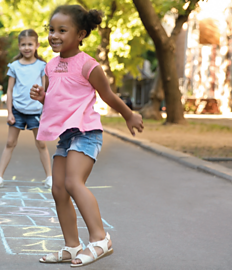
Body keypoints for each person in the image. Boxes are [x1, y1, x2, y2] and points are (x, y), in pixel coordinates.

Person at [30, 5, 144, 267]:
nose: (54, 35)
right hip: (66, 136)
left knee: (73, 182)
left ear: (80, 34)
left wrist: (129, 115)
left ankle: (101, 239)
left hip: (86, 132)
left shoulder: (88, 65)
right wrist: (41, 97)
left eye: (62, 30)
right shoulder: (49, 66)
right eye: (51, 30)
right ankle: (72, 246)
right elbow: (56, 101)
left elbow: (108, 95)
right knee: (58, 189)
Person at [0, 29, 52, 190]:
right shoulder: (14, 66)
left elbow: (46, 91)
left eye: (30, 44)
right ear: (19, 46)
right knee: (10, 143)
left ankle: (49, 177)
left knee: (41, 144)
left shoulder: (42, 66)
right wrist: (9, 112)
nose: (27, 48)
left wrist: (46, 112)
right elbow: (9, 90)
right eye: (23, 45)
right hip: (18, 111)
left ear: (36, 45)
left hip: (36, 111)